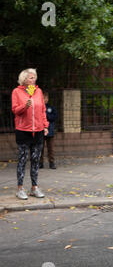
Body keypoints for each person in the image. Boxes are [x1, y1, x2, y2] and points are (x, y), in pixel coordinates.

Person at [12, 68, 49, 200]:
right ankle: (20, 188)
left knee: (35, 159)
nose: (34, 80)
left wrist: (45, 125)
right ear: (24, 79)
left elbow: (43, 110)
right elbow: (15, 110)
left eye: (34, 77)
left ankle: (34, 187)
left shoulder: (38, 91)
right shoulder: (16, 92)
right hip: (23, 131)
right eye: (31, 78)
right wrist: (25, 106)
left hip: (38, 131)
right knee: (22, 160)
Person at [40, 92, 58, 169]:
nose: (45, 100)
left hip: (50, 130)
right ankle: (40, 163)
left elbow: (55, 116)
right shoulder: (39, 107)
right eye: (43, 98)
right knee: (40, 148)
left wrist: (47, 116)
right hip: (41, 131)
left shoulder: (51, 107)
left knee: (51, 148)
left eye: (46, 98)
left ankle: (52, 162)